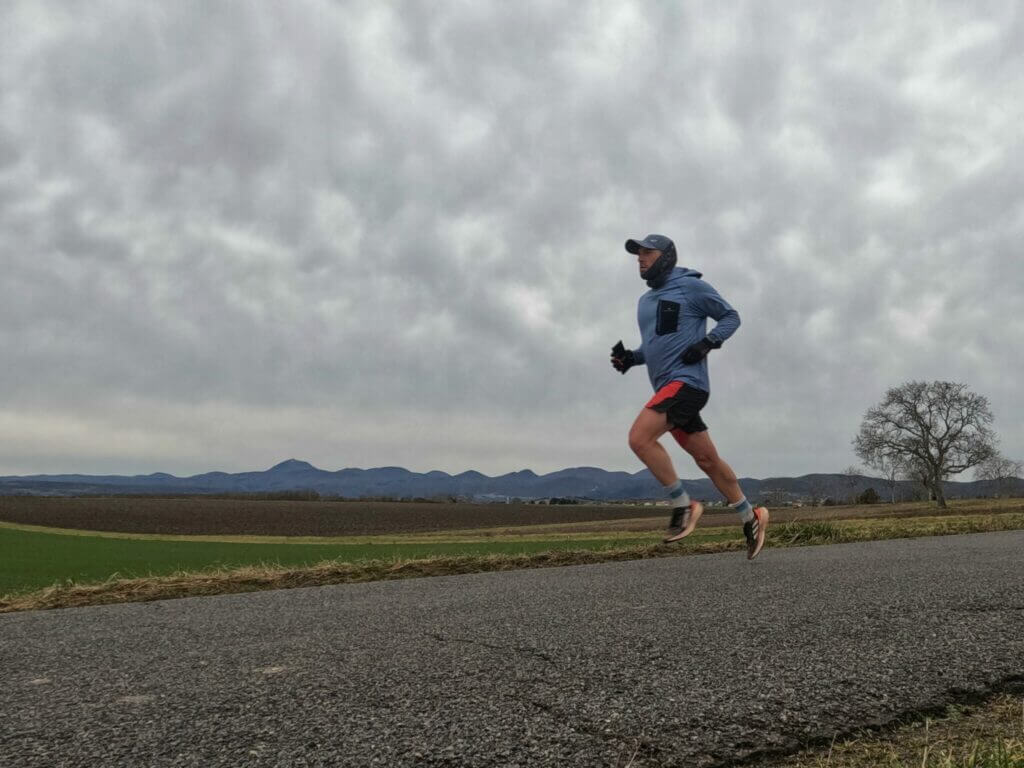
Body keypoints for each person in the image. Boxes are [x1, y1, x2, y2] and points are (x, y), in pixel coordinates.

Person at [610, 234, 769, 559]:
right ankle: (751, 516)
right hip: (668, 390)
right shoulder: (645, 303)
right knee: (707, 459)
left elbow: (730, 316)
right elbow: (655, 346)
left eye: (647, 253)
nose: (640, 259)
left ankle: (684, 505)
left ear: (666, 256)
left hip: (687, 385)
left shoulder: (691, 287)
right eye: (637, 254)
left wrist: (708, 342)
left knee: (639, 438)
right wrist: (631, 358)